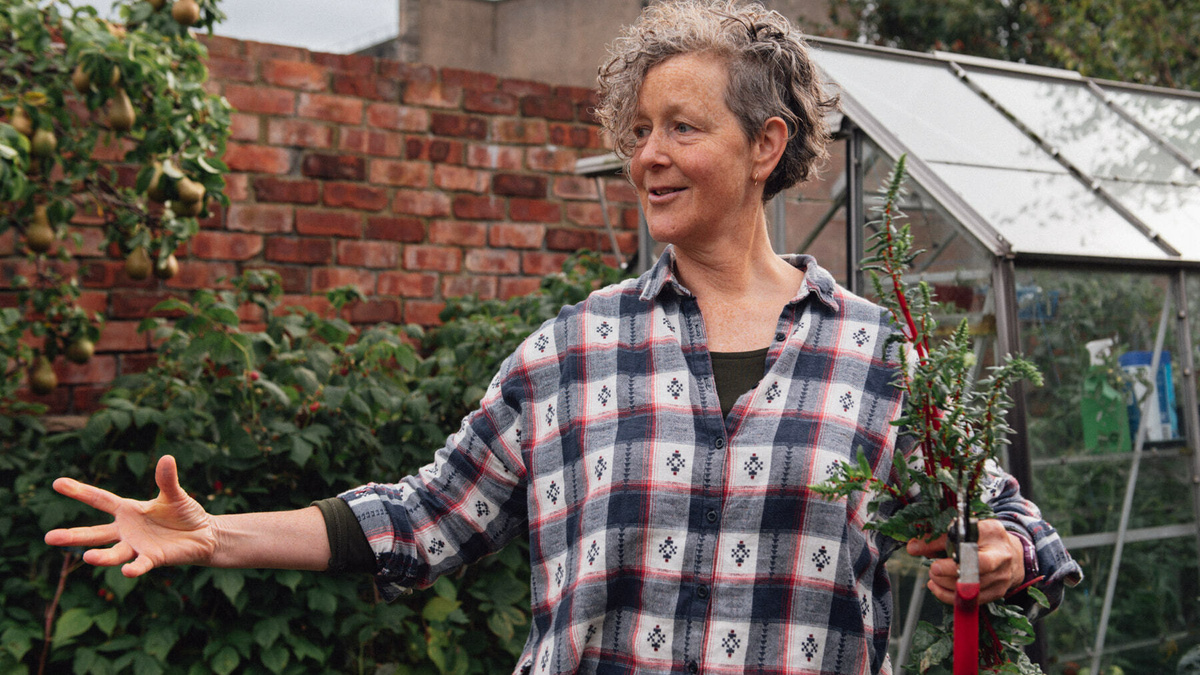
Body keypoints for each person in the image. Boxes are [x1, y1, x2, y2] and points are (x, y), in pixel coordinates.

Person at [45, 2, 1082, 673]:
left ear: (767, 145)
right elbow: (425, 516)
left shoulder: (876, 357)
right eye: (636, 132)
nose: (648, 156)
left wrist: (995, 555)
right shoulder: (574, 350)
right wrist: (212, 534)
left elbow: (1003, 520)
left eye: (682, 127)